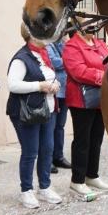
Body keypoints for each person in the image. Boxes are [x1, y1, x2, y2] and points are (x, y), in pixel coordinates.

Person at [7, 24, 62, 209]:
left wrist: (54, 85)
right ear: (31, 34)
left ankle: (45, 187)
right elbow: (13, 85)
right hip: (26, 112)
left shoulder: (43, 54)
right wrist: (40, 86)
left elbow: (49, 77)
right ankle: (26, 190)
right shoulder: (21, 58)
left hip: (47, 110)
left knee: (47, 149)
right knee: (31, 151)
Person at [63, 25, 108, 198]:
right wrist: (103, 77)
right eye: (88, 23)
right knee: (82, 141)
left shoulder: (99, 43)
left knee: (97, 138)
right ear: (78, 28)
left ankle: (92, 175)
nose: (93, 26)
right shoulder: (72, 46)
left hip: (100, 97)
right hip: (81, 99)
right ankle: (77, 181)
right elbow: (77, 71)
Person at [43, 39, 72, 172]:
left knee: (60, 126)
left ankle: (58, 157)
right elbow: (55, 63)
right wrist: (69, 60)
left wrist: (66, 58)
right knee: (50, 127)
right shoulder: (47, 43)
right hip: (54, 91)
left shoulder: (62, 43)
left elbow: (66, 58)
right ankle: (47, 160)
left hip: (65, 89)